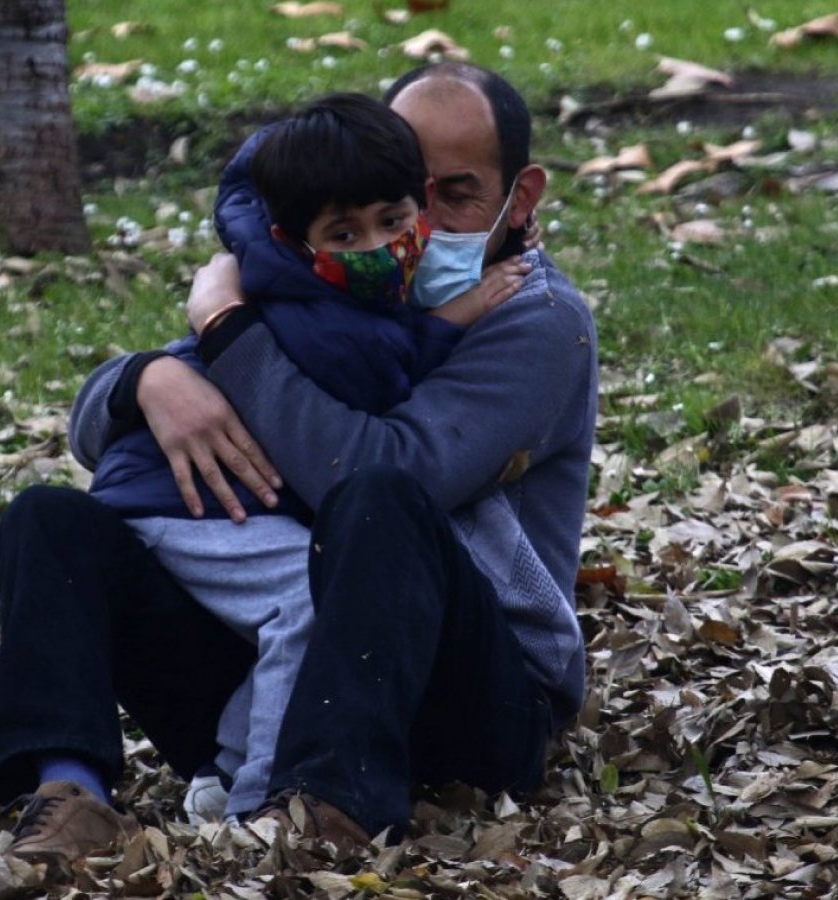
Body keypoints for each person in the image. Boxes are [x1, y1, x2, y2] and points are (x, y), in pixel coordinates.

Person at [0, 60, 598, 860]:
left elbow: (376, 469)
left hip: (478, 697)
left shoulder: (536, 319)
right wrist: (148, 379)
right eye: (414, 186)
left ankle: (322, 811)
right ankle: (71, 795)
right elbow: (94, 436)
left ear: (522, 198)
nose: (423, 226)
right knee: (48, 520)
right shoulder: (335, 267)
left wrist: (230, 331)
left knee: (378, 498)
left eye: (459, 193)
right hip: (297, 666)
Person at [82, 92, 528, 824]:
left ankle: (230, 770)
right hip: (181, 503)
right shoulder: (311, 307)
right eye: (345, 234)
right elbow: (374, 388)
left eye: (393, 221)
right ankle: (260, 797)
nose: (379, 246)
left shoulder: (306, 282)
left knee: (316, 595)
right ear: (298, 241)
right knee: (312, 600)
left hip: (197, 500)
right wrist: (459, 313)